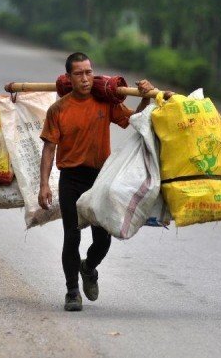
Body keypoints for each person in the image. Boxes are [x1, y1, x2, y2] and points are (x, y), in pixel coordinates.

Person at [38, 52, 156, 311]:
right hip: (71, 179)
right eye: (79, 73)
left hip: (99, 179)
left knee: (103, 239)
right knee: (72, 236)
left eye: (89, 72)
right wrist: (44, 185)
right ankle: (72, 291)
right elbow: (48, 149)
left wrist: (146, 96)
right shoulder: (58, 110)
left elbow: (133, 121)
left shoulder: (105, 102)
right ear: (69, 78)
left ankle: (88, 267)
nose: (85, 78)